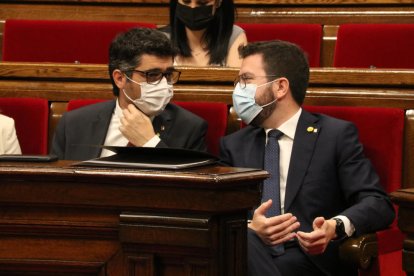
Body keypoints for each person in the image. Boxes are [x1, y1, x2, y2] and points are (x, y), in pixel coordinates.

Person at [219, 40, 395, 276]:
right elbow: (219, 210)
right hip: (251, 251)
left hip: (308, 259)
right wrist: (250, 227)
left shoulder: (334, 136)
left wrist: (334, 227)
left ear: (280, 87)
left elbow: (378, 204)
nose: (238, 89)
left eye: (246, 80)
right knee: (243, 244)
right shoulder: (234, 144)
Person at [52, 27, 208, 160]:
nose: (163, 84)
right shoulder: (74, 124)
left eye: (167, 74)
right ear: (120, 79)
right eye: (152, 75)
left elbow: (186, 191)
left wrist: (150, 143)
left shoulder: (190, 128)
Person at [159, 0, 247, 67]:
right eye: (186, 1)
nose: (192, 7)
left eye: (202, 2)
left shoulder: (234, 35)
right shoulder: (162, 38)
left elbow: (237, 85)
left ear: (218, 3)